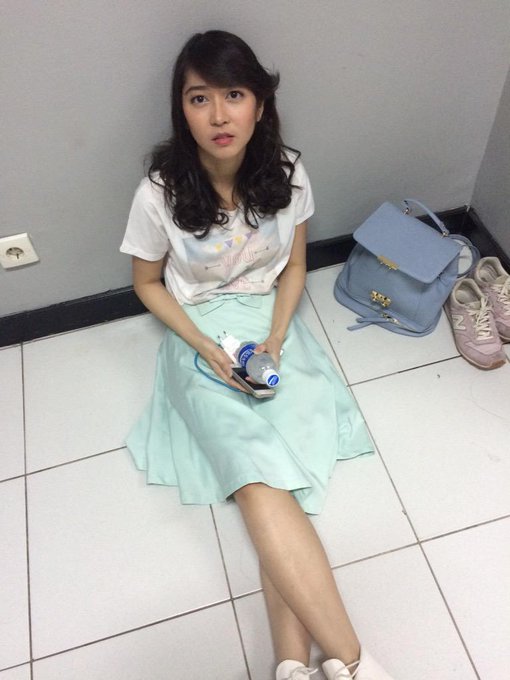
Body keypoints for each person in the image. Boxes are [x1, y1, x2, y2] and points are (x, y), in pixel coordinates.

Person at [120, 30, 396, 680]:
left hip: (270, 326)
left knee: (284, 479)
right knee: (254, 476)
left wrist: (275, 338)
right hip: (197, 334)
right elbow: (147, 284)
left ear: (260, 105)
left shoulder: (288, 173)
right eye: (200, 98)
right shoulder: (158, 193)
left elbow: (295, 266)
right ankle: (356, 663)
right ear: (181, 109)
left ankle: (291, 667)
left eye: (235, 95)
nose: (219, 115)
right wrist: (202, 348)